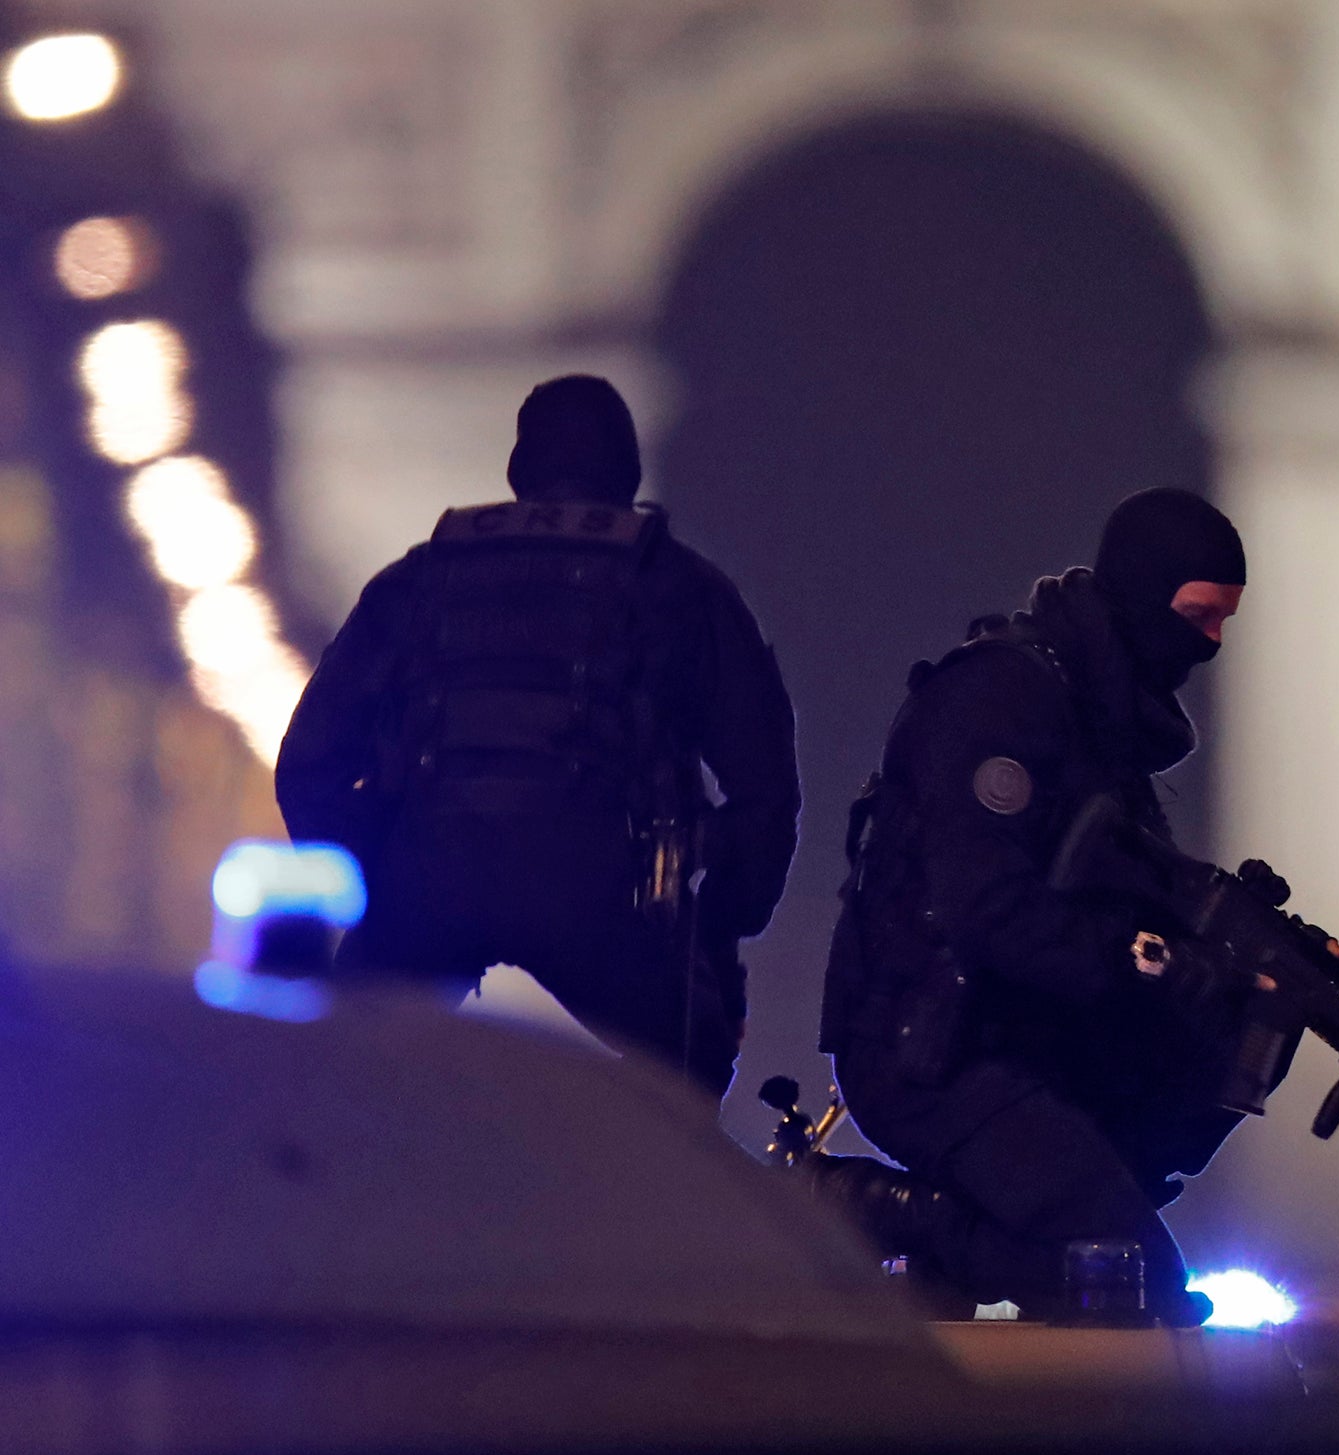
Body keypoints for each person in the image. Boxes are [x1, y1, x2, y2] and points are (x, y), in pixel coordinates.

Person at [817, 487, 1271, 1324]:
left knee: (1097, 1257)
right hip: (929, 1048)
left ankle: (936, 1264)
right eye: (1197, 614)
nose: (1208, 644)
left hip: (1021, 1047)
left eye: (1223, 621)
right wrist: (1152, 962)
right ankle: (870, 1209)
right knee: (1126, 1278)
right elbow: (988, 908)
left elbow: (1111, 885)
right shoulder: (1005, 698)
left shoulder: (1099, 722)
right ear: (1142, 593)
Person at [275, 375, 798, 1100]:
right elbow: (764, 788)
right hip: (609, 894)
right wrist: (719, 924)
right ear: (628, 471)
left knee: (348, 1090)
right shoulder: (679, 587)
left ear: (519, 470)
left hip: (430, 880)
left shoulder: (418, 580)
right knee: (684, 1084)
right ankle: (626, 1209)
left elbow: (308, 767)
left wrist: (382, 869)